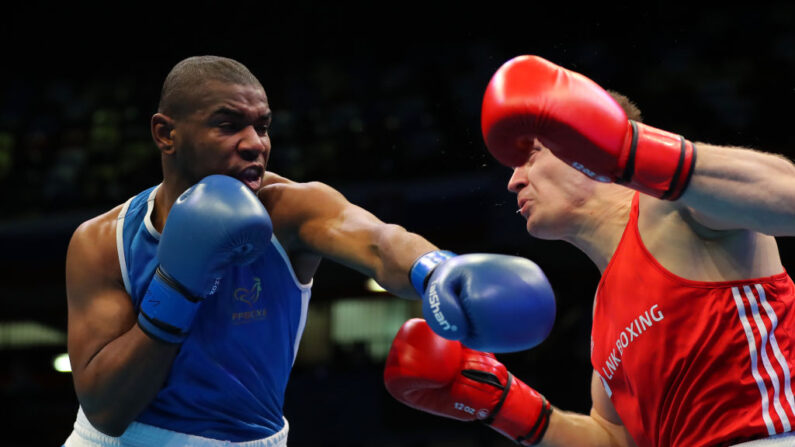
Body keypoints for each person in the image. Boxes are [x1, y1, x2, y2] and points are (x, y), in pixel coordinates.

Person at [61, 55, 557, 446]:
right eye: (228, 124)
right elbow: (106, 409)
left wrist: (436, 270)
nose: (255, 143)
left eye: (263, 125)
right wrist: (179, 287)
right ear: (166, 134)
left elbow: (380, 241)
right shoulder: (104, 241)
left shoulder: (292, 209)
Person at [384, 55, 795, 446]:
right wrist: (503, 403)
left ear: (582, 146)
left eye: (531, 156)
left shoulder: (674, 206)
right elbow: (615, 439)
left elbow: (787, 195)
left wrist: (632, 149)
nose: (513, 181)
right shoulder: (602, 315)